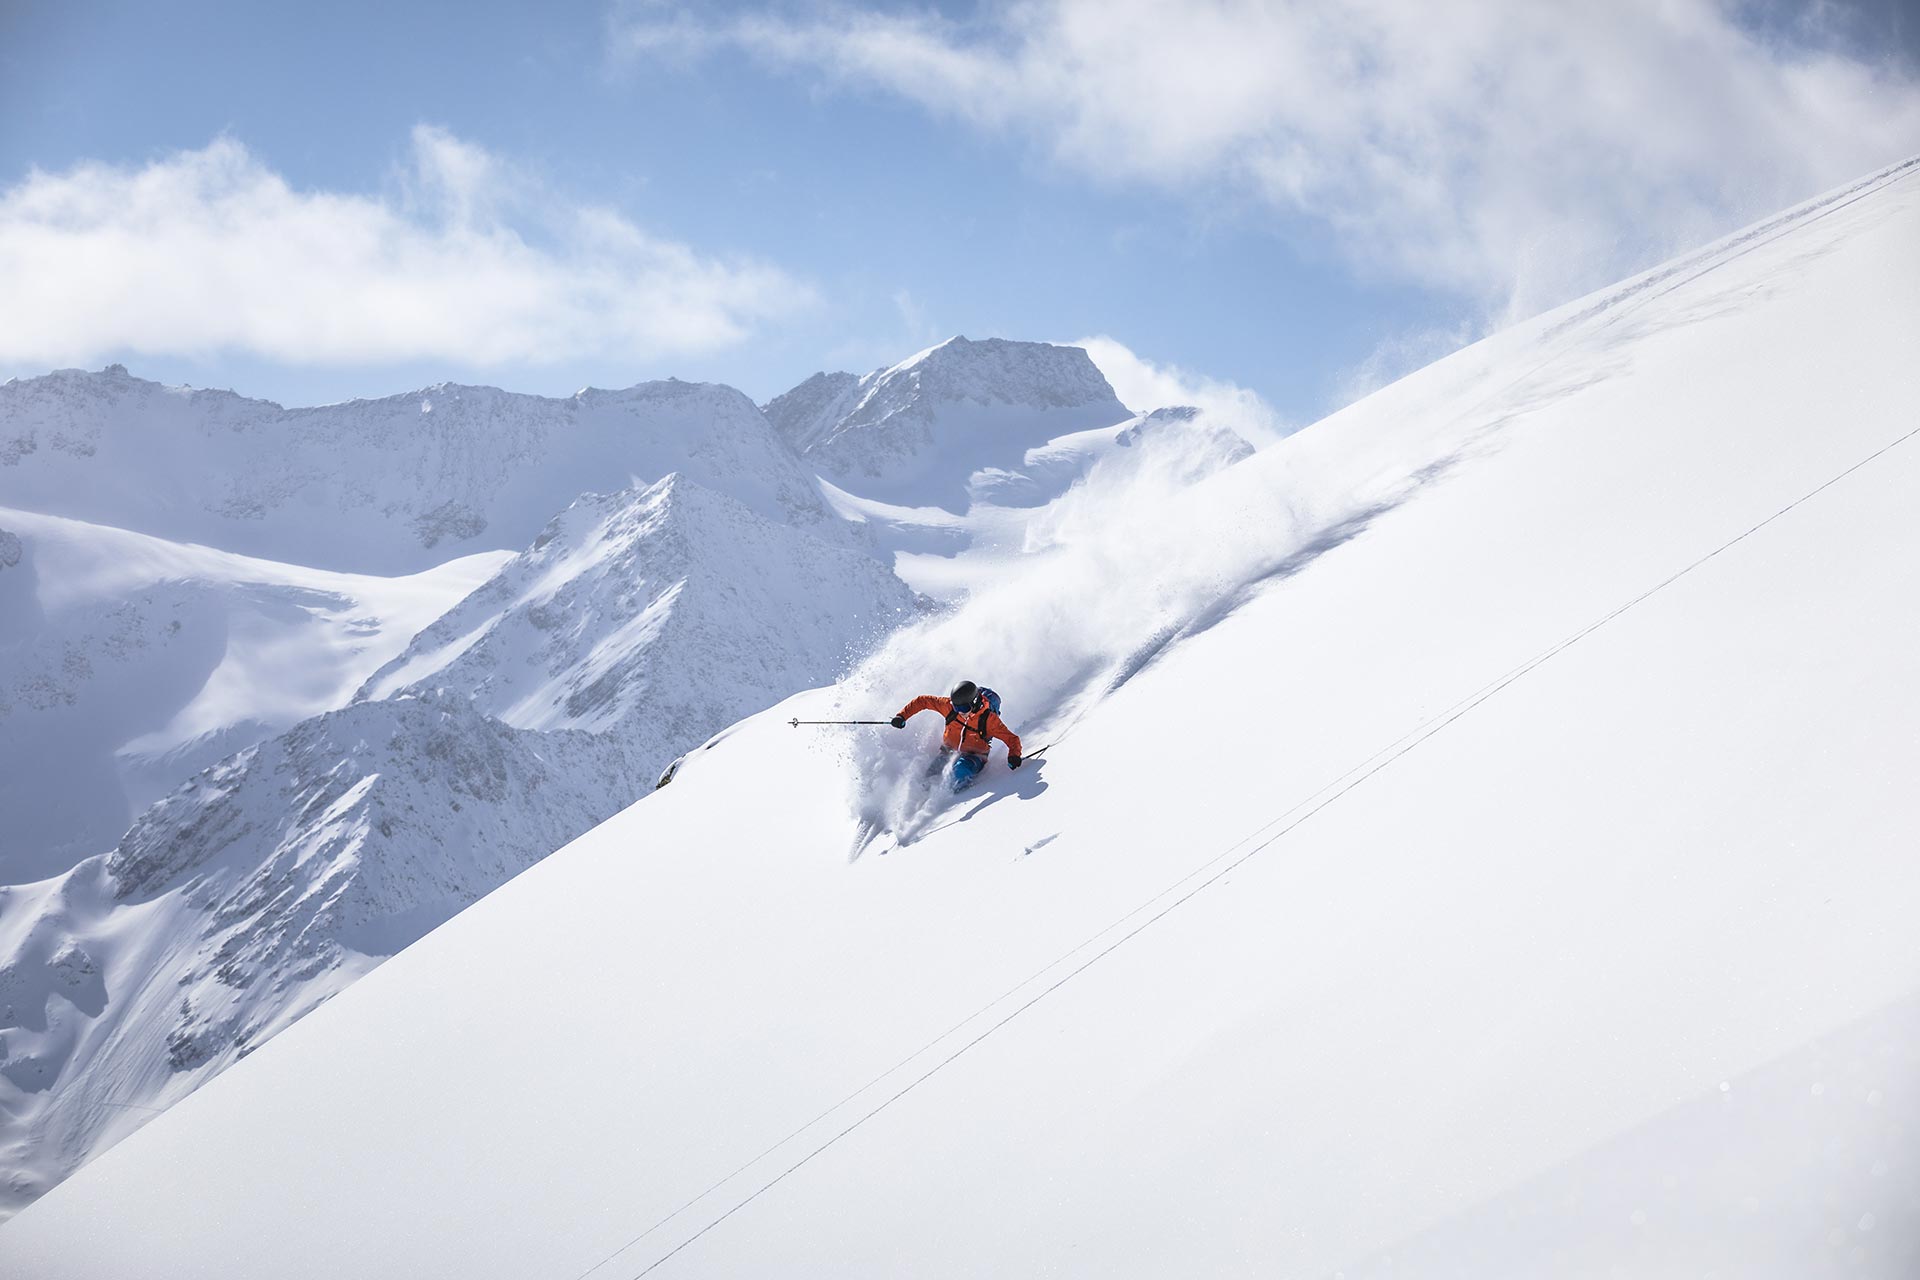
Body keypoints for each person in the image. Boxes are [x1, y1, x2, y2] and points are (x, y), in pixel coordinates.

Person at [891, 680, 1023, 791]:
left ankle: (954, 801)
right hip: (948, 752)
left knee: (959, 773)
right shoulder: (948, 707)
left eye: (964, 708)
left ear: (974, 703)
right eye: (956, 707)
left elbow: (1012, 739)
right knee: (929, 778)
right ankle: (921, 805)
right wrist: (902, 716)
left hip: (974, 756)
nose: (959, 712)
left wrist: (1014, 756)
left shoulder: (989, 720)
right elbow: (923, 701)